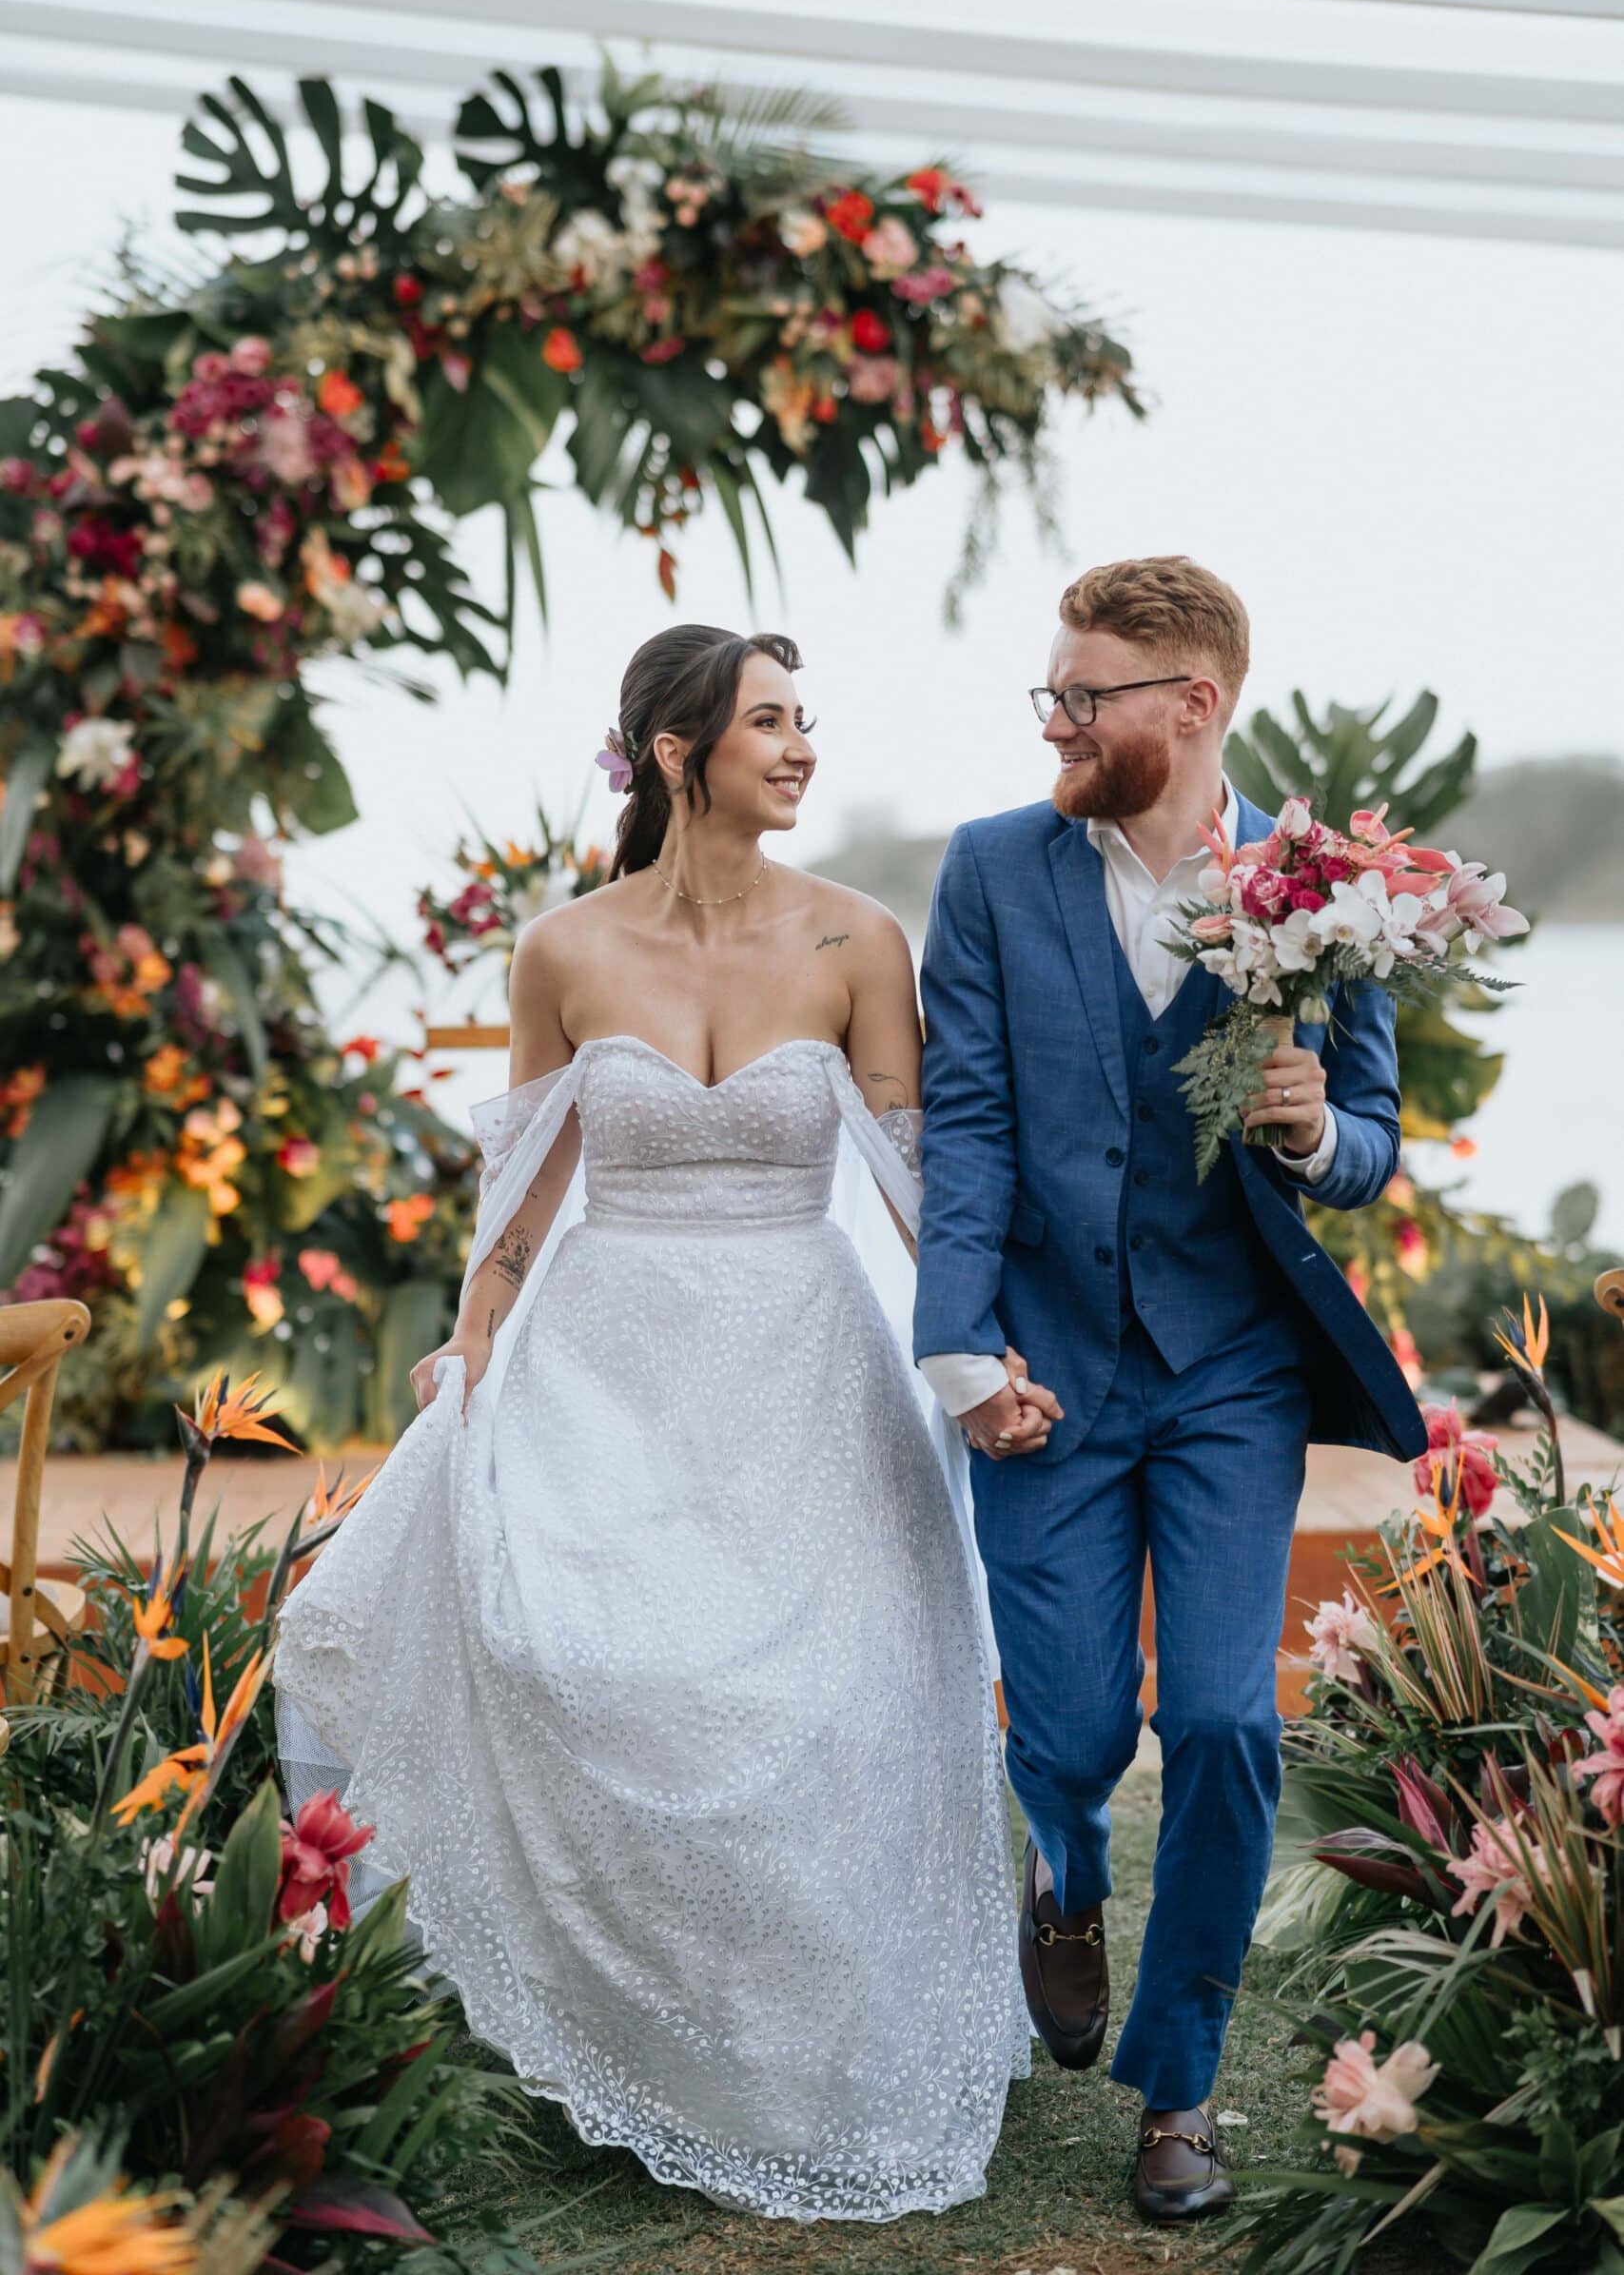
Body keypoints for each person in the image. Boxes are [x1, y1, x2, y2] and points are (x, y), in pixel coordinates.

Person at [271, 623, 1027, 2223]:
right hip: (609, 1360)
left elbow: (916, 1186)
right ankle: (648, 2040)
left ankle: (810, 2054)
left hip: (802, 1359)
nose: (802, 747)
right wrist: (469, 1344)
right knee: (593, 1660)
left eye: (805, 719)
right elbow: (525, 1188)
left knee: (826, 1708)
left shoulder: (856, 942)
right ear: (679, 754)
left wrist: (977, 1354)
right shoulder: (564, 951)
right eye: (770, 723)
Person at [914, 557, 1427, 2226]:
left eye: (1086, 695)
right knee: (1068, 1733)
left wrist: (1306, 1130)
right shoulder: (994, 871)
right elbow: (971, 1125)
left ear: (1191, 708)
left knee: (1223, 1722)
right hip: (1048, 1374)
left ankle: (1181, 2091)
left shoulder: (1322, 883)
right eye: (1051, 694)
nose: (1056, 718)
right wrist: (962, 1353)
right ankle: (1063, 1878)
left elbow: (1368, 1141)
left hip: (1229, 1377)